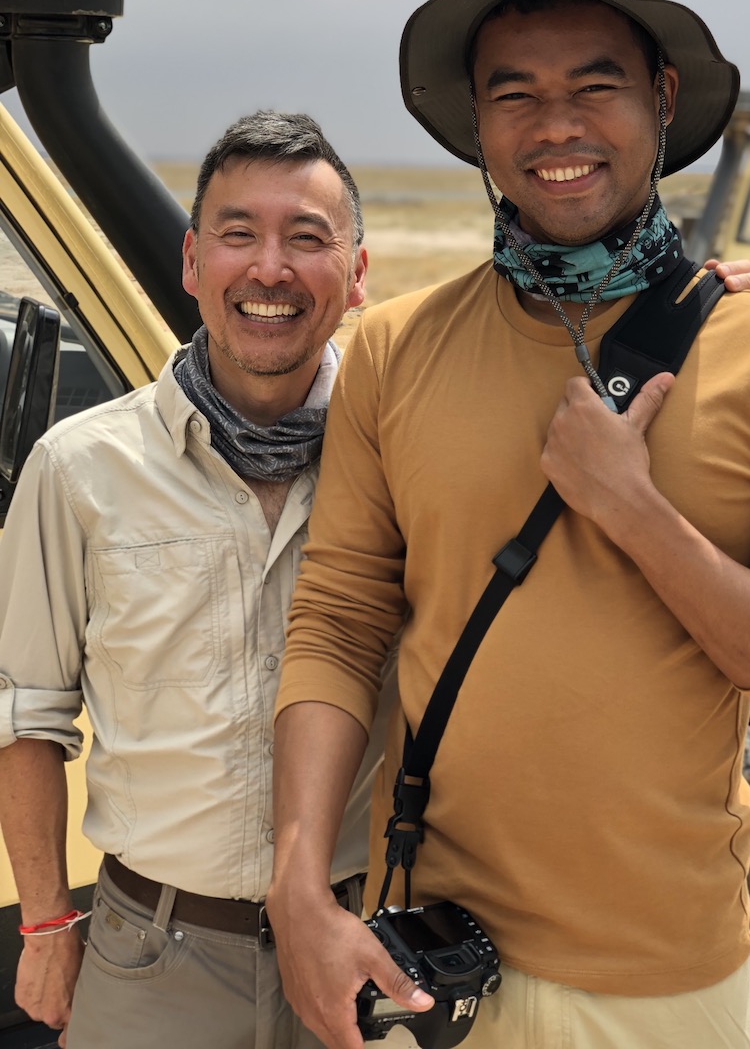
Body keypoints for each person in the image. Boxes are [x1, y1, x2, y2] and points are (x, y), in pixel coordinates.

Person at [267, 0, 750, 1049]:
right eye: (516, 92)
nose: (555, 124)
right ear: (477, 123)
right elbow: (339, 621)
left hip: (666, 981)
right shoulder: (393, 351)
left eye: (593, 84)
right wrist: (299, 888)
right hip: (426, 961)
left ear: (661, 99)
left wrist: (639, 515)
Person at [0, 110, 395, 1049]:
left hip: (360, 948)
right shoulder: (79, 468)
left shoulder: (404, 461)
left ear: (358, 276)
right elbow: (25, 711)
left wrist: (703, 306)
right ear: (190, 262)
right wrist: (50, 923)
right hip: (153, 962)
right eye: (238, 235)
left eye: (308, 238)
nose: (270, 269)